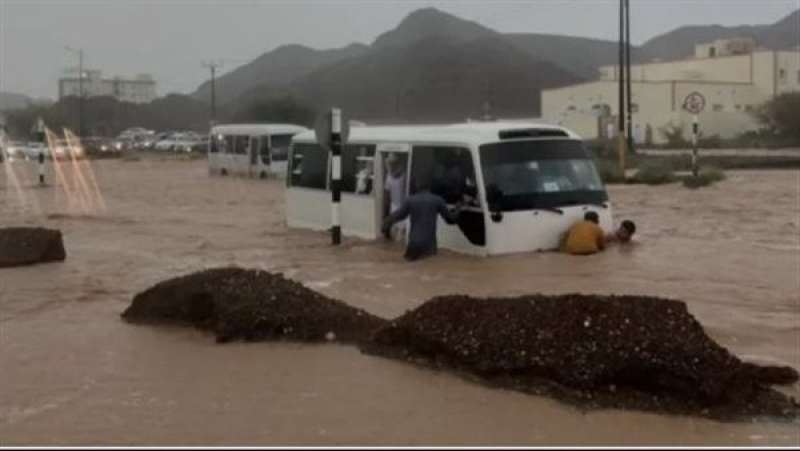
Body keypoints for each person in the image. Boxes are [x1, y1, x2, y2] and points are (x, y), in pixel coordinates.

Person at [382, 179, 461, 261]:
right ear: (430, 187)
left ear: (417, 187)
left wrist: (385, 224)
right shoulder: (437, 200)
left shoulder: (410, 200)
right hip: (428, 245)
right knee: (428, 268)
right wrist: (459, 208)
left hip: (413, 243)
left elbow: (397, 216)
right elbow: (451, 219)